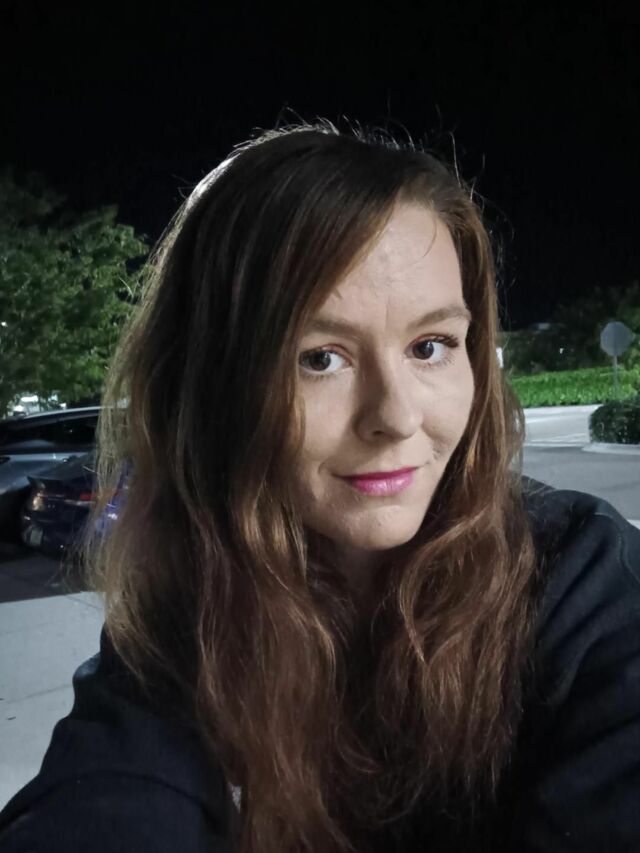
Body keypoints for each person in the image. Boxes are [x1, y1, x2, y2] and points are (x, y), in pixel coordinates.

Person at [1, 119, 639, 853]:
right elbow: (107, 799)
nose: (396, 417)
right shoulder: (189, 610)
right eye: (320, 358)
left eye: (431, 346)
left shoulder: (580, 577)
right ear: (209, 390)